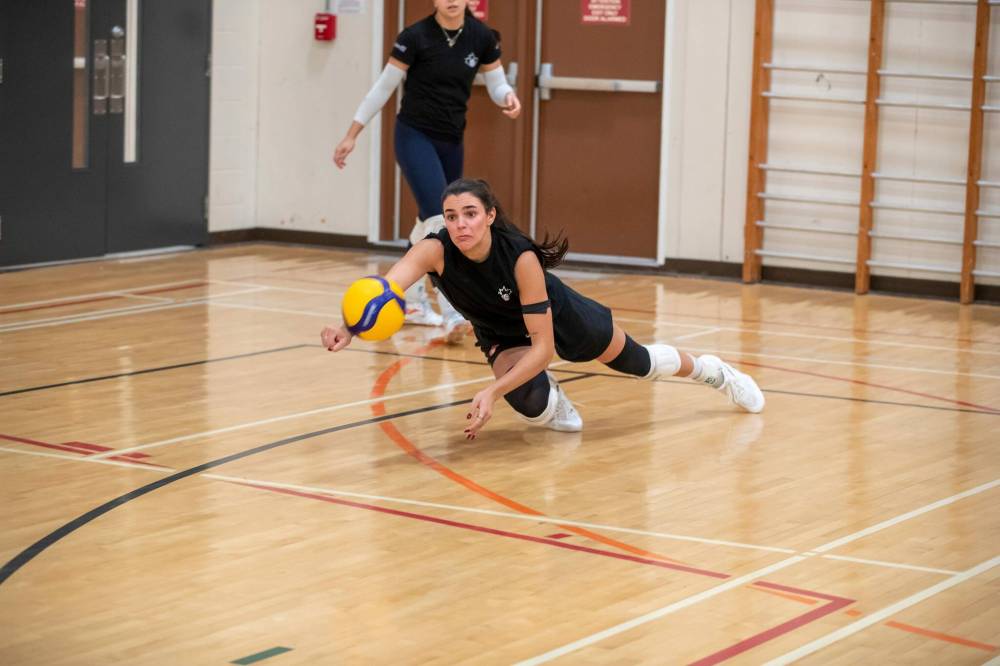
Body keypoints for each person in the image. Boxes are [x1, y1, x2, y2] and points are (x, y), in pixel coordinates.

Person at [321, 179, 765, 440]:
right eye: (451, 216)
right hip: (500, 333)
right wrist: (349, 327)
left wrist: (489, 393)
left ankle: (716, 372)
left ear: (490, 215)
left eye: (470, 214)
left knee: (640, 363)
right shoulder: (433, 250)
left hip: (558, 320)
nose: (460, 225)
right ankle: (552, 399)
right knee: (535, 407)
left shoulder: (520, 258)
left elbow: (544, 346)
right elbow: (384, 289)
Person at [333, 0, 521, 343]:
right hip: (414, 135)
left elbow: (495, 84)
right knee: (441, 216)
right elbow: (383, 88)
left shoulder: (480, 36)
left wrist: (507, 95)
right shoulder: (415, 36)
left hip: (452, 139)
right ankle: (453, 313)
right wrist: (351, 134)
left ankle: (414, 300)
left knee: (426, 221)